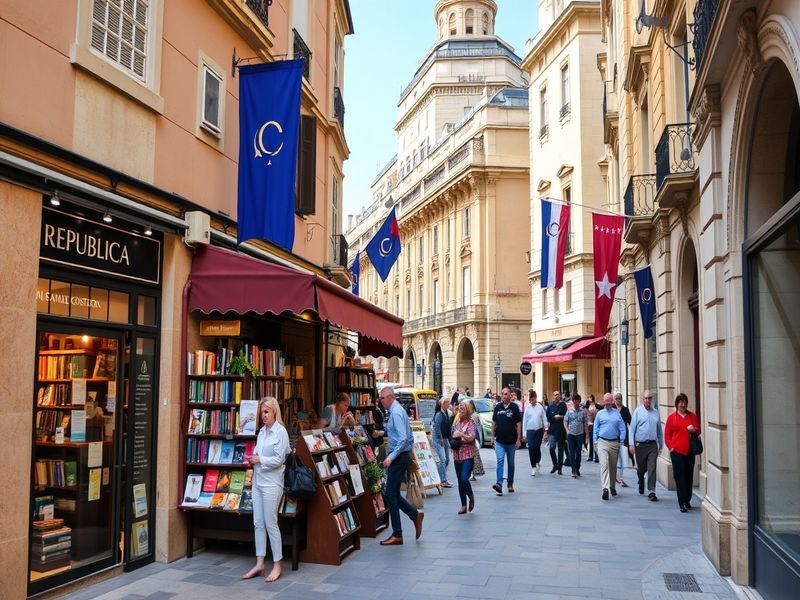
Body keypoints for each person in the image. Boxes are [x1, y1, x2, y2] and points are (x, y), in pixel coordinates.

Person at [242, 397, 290, 583]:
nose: (263, 416)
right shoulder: (262, 432)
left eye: (266, 412)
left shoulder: (281, 432)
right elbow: (260, 456)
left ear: (274, 412)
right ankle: (260, 563)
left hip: (272, 483)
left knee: (271, 523)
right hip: (258, 482)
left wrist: (260, 459)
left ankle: (277, 563)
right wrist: (254, 459)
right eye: (262, 412)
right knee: (258, 523)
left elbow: (279, 460)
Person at [379, 388, 423, 545]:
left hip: (398, 458)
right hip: (401, 457)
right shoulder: (397, 410)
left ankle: (397, 534)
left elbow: (403, 438)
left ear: (390, 397)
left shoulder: (396, 412)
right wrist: (382, 432)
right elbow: (403, 434)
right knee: (393, 494)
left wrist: (391, 457)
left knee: (390, 494)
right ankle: (414, 515)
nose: (381, 401)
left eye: (382, 398)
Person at [664, 392, 700, 512]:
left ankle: (687, 499)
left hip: (689, 451)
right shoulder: (671, 418)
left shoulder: (692, 416)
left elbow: (698, 430)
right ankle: (681, 502)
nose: (683, 405)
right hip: (677, 452)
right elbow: (667, 435)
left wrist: (693, 430)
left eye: (684, 402)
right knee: (680, 477)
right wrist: (671, 447)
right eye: (680, 402)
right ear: (677, 404)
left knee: (688, 476)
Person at [628, 389, 663, 501]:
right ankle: (641, 480)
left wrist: (661, 445)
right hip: (640, 445)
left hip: (652, 445)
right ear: (643, 399)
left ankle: (652, 491)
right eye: (646, 398)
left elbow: (659, 431)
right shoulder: (637, 412)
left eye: (650, 398)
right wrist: (631, 444)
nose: (648, 400)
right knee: (641, 469)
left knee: (652, 467)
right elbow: (632, 430)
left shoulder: (656, 413)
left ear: (652, 399)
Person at [593, 392, 626, 500]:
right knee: (604, 464)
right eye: (605, 400)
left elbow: (622, 428)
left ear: (612, 401)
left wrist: (621, 441)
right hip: (602, 442)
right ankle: (605, 488)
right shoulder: (600, 414)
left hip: (614, 443)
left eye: (609, 400)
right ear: (603, 401)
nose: (607, 402)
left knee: (612, 466)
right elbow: (596, 429)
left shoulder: (617, 414)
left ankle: (612, 486)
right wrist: (595, 442)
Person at [491, 387, 522, 495]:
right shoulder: (498, 407)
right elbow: (494, 422)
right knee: (500, 461)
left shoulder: (514, 407)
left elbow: (518, 424)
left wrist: (519, 439)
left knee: (511, 463)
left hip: (511, 442)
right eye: (503, 394)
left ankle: (510, 483)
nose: (504, 396)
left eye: (506, 394)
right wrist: (492, 437)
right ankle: (499, 483)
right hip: (500, 441)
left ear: (510, 395)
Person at [451, 400, 477, 514]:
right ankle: (463, 505)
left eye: (462, 409)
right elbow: (452, 435)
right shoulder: (456, 423)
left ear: (467, 411)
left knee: (464, 479)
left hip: (467, 455)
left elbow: (471, 438)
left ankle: (471, 496)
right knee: (460, 482)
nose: (460, 411)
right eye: (459, 408)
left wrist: (461, 435)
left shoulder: (471, 423)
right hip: (457, 455)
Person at [522, 389, 547, 476]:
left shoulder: (540, 407)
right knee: (531, 448)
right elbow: (524, 421)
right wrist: (524, 433)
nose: (531, 401)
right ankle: (533, 466)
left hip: (539, 430)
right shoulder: (527, 408)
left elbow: (544, 418)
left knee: (537, 447)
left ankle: (537, 461)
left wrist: (546, 429)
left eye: (533, 399)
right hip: (530, 430)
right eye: (530, 400)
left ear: (535, 398)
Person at [564, 393, 588, 478]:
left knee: (578, 453)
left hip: (579, 434)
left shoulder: (583, 412)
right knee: (571, 453)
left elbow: (585, 424)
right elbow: (565, 421)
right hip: (571, 434)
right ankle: (573, 470)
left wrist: (587, 437)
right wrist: (567, 431)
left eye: (577, 402)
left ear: (579, 402)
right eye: (574, 402)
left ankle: (577, 468)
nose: (576, 404)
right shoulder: (569, 411)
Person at [431, 398, 454, 488]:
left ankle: (441, 476)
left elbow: (448, 427)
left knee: (446, 459)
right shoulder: (439, 414)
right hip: (438, 438)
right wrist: (441, 438)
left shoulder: (446, 413)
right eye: (446, 402)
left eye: (448, 402)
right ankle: (443, 480)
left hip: (444, 438)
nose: (448, 404)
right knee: (443, 459)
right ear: (442, 404)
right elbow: (437, 427)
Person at [545, 390, 567, 474]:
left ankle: (560, 468)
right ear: (553, 396)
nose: (556, 396)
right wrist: (554, 417)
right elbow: (548, 417)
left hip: (561, 430)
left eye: (557, 395)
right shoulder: (550, 406)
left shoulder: (563, 405)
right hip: (552, 430)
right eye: (554, 395)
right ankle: (555, 464)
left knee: (560, 450)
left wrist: (560, 417)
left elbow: (566, 416)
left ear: (560, 396)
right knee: (551, 447)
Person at [614, 392, 632, 487]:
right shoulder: (612, 409)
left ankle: (620, 477)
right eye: (616, 398)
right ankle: (616, 476)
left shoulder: (625, 410)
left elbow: (631, 422)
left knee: (621, 457)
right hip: (612, 437)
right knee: (614, 458)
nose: (617, 400)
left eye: (619, 398)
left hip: (622, 438)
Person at [468, 399, 485, 479]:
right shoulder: (467, 414)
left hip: (474, 437)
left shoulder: (475, 415)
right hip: (468, 436)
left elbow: (478, 428)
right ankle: (472, 473)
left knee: (474, 456)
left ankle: (473, 473)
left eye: (470, 405)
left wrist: (479, 440)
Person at [586, 395, 598, 462]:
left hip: (595, 424)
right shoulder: (588, 405)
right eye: (588, 398)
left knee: (595, 440)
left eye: (590, 397)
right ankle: (591, 456)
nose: (589, 399)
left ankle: (596, 456)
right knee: (591, 441)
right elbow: (587, 414)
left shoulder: (596, 405)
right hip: (590, 424)